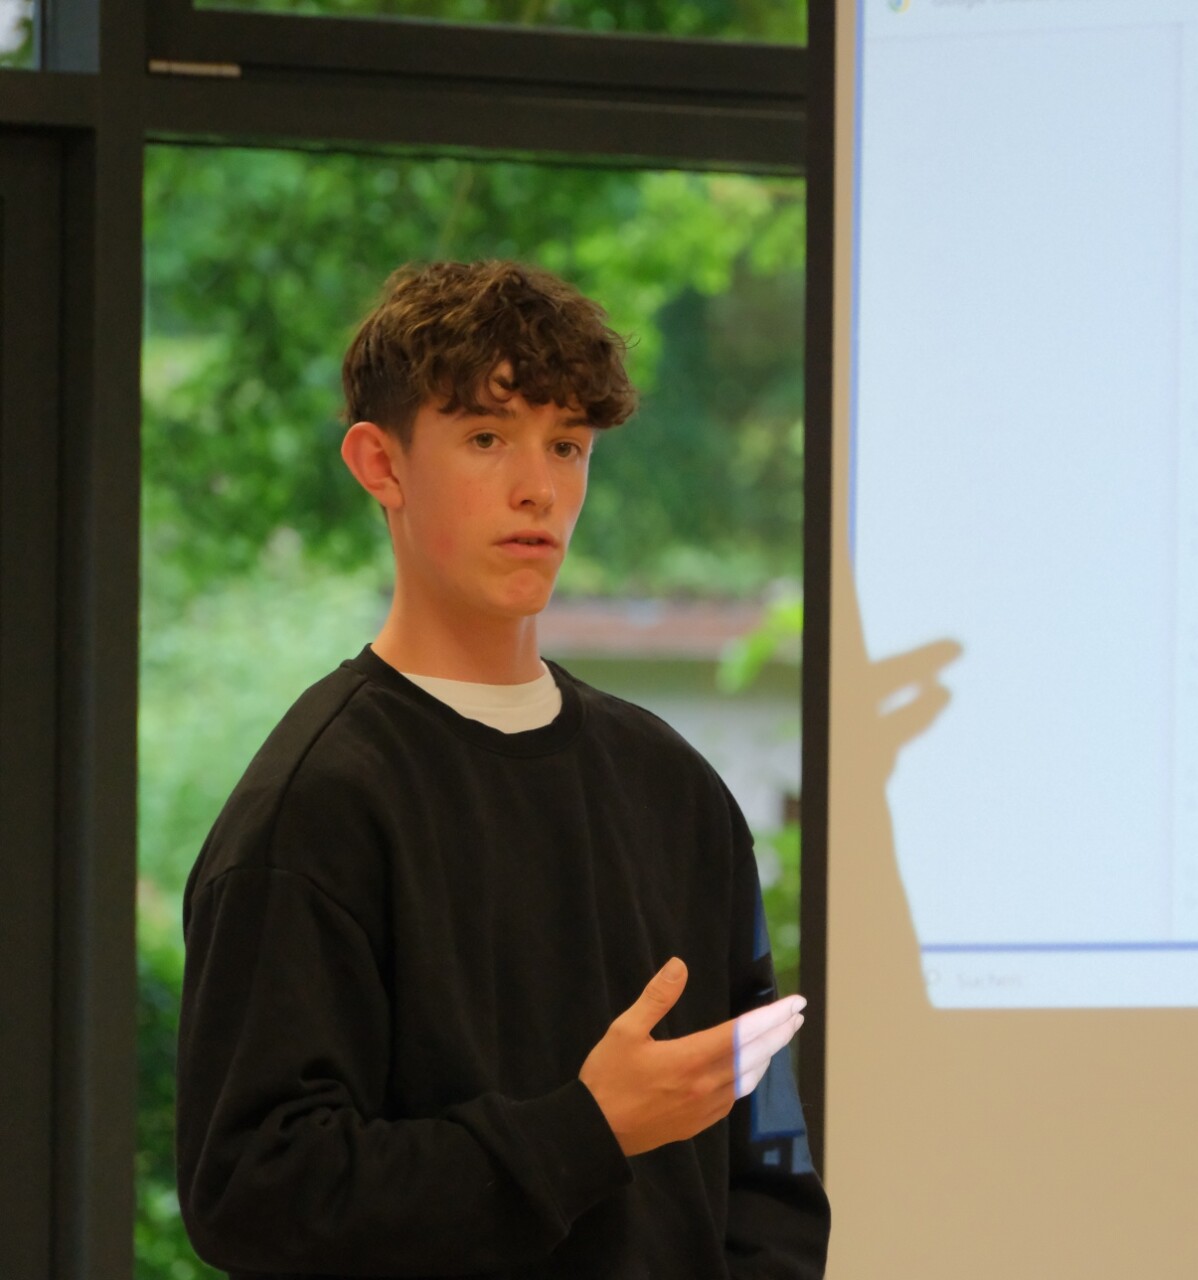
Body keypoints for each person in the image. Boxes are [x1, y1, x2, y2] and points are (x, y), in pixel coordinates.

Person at [174, 260, 829, 1279]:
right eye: (487, 437)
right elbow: (258, 1192)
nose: (539, 488)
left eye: (567, 445)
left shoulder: (676, 789)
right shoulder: (315, 805)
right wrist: (583, 1130)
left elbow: (771, 1172)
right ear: (380, 464)